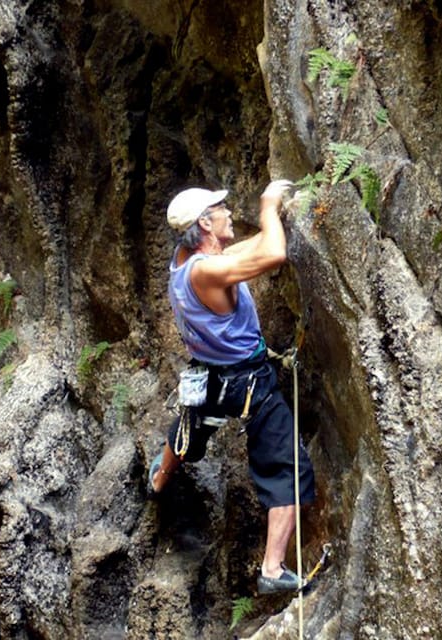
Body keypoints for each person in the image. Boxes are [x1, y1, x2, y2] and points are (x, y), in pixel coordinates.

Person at [148, 179, 316, 595]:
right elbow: (274, 253)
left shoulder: (185, 259)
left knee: (191, 425)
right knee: (288, 469)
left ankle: (159, 479)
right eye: (221, 209)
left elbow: (242, 252)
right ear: (205, 222)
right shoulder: (207, 271)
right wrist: (268, 207)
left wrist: (272, 224)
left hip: (210, 377)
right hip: (248, 383)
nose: (227, 212)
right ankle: (273, 570)